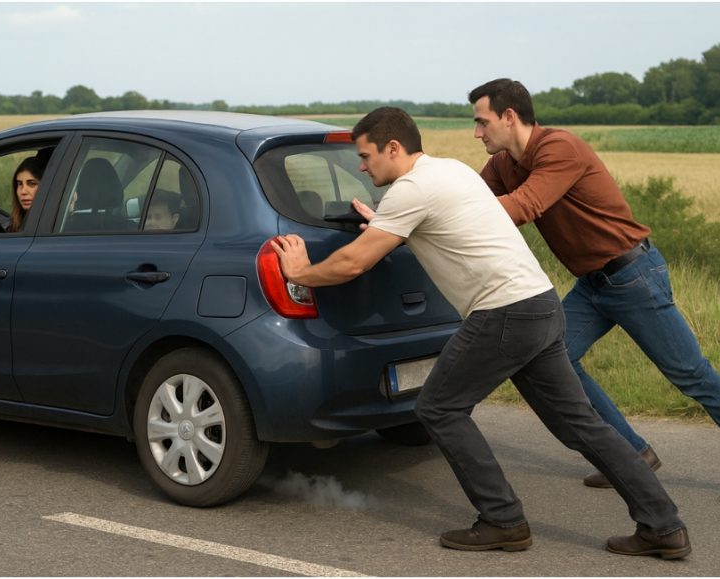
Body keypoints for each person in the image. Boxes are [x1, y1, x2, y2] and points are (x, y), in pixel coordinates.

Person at [271, 107, 690, 558]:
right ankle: (663, 525)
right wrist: (382, 223)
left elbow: (355, 262)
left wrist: (302, 272)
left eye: (367, 155)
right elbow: (446, 226)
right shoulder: (451, 171)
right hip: (541, 304)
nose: (362, 166)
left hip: (504, 312)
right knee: (582, 424)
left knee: (438, 407)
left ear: (394, 147)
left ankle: (502, 519)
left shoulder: (410, 190)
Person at [466, 78, 720, 503]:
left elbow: (523, 206)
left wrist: (455, 217)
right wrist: (401, 213)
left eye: (481, 122)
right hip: (593, 284)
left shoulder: (558, 148)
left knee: (692, 374)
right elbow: (470, 198)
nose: (477, 133)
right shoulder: (505, 163)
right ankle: (630, 453)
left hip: (632, 276)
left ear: (509, 117)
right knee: (555, 357)